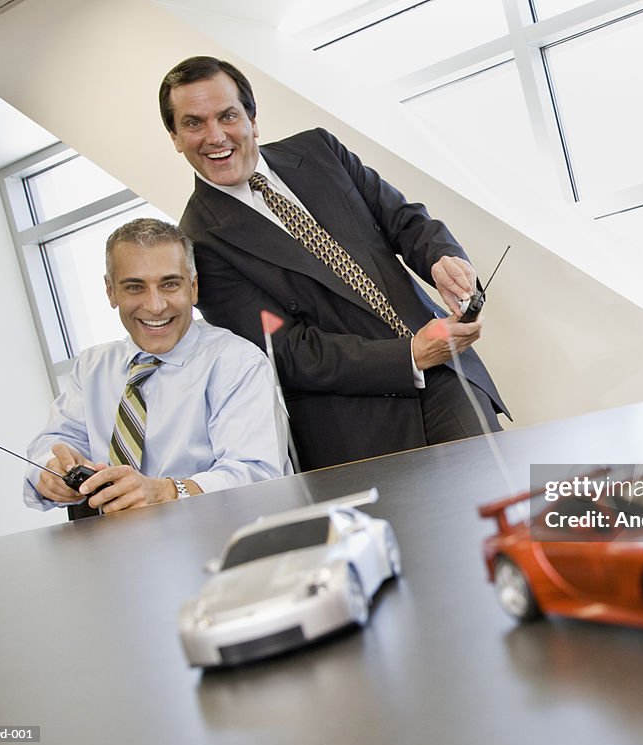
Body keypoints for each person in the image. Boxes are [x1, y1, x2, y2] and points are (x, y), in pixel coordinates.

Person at [159, 56, 509, 471]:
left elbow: (403, 219)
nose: (215, 136)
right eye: (194, 123)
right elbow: (288, 352)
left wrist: (441, 259)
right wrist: (409, 355)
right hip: (358, 426)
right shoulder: (199, 241)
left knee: (500, 511)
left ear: (252, 119)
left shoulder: (319, 149)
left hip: (447, 377)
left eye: (227, 116)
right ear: (176, 137)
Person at [24, 218, 292, 515]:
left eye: (169, 284)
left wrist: (165, 491)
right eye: (135, 287)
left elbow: (258, 476)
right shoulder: (91, 367)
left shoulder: (237, 362)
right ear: (111, 291)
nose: (155, 306)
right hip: (115, 549)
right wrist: (50, 470)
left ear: (193, 287)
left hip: (218, 542)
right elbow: (55, 441)